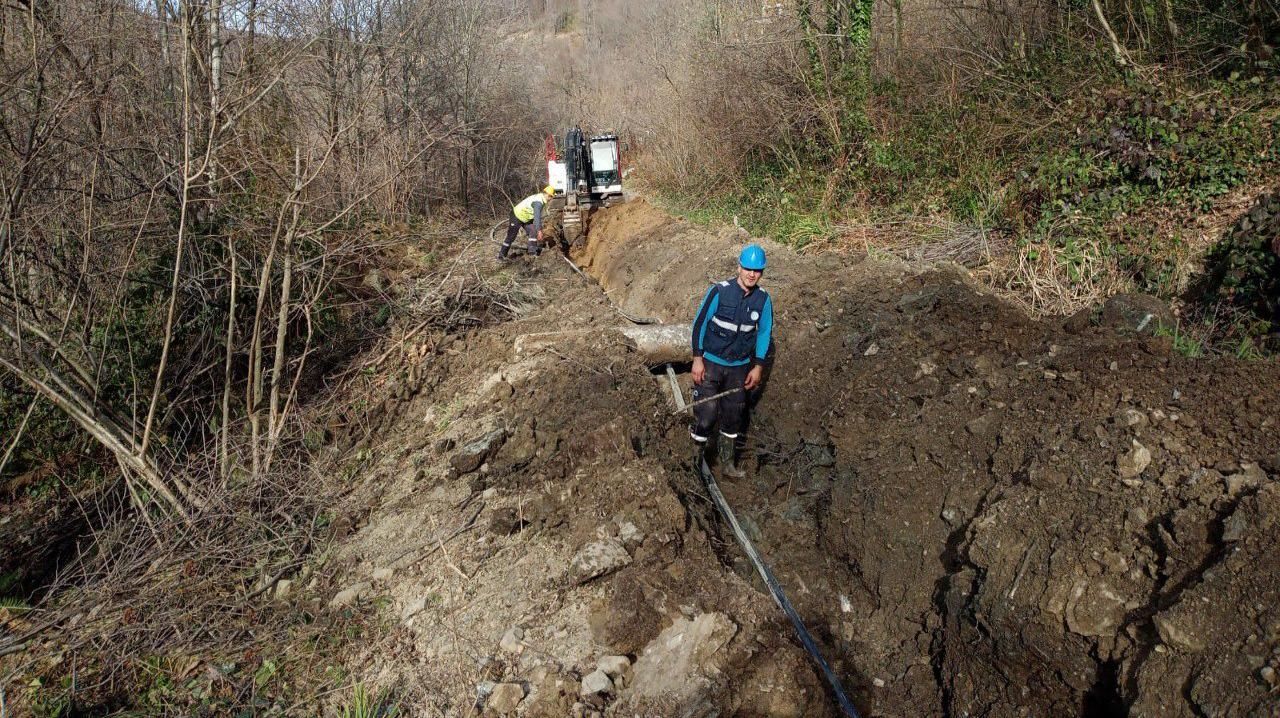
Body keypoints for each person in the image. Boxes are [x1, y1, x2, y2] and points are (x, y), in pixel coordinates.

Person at [689, 244, 774, 478]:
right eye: (747, 268)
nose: (751, 274)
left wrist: (758, 367)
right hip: (711, 365)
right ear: (739, 267)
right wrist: (697, 359)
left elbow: (764, 333)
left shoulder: (763, 300)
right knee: (706, 414)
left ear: (762, 273)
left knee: (733, 417)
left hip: (739, 368)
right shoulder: (719, 292)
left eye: (757, 270)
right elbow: (699, 324)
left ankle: (727, 465)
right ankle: (694, 460)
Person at [498, 185, 555, 260]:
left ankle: (532, 252)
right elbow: (537, 218)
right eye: (551, 197)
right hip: (517, 216)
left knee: (533, 231)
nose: (551, 199)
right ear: (547, 195)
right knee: (511, 236)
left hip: (526, 218)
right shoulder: (538, 202)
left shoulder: (540, 197)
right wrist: (540, 231)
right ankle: (501, 256)